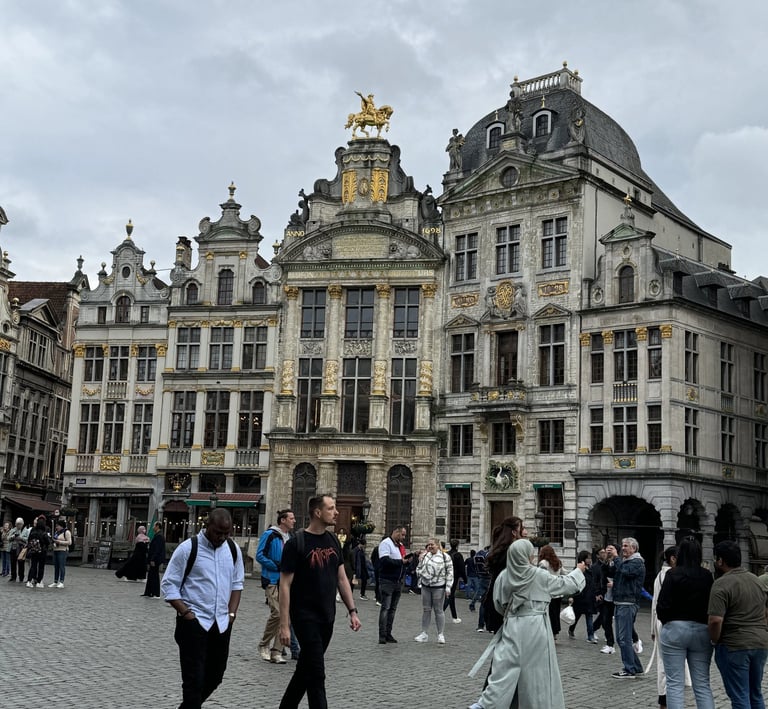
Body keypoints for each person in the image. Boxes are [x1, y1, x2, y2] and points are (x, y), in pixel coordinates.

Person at [467, 539, 587, 709]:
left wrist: (513, 614)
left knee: (504, 668)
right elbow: (566, 585)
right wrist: (578, 571)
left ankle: (487, 704)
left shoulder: (504, 576)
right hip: (536, 627)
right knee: (537, 673)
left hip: (512, 624)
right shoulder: (538, 575)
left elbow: (498, 603)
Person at [278, 494, 361, 709]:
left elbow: (341, 578)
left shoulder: (333, 540)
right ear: (317, 512)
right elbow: (285, 585)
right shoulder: (296, 543)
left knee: (305, 669)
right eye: (331, 508)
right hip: (305, 617)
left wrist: (352, 610)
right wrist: (284, 625)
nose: (337, 512)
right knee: (317, 674)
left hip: (327, 617)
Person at [161, 508, 244, 709]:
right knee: (193, 681)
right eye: (217, 532)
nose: (221, 537)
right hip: (194, 623)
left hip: (221, 624)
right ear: (207, 526)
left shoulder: (232, 549)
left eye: (226, 533)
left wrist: (231, 614)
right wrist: (186, 613)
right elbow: (169, 584)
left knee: (215, 676)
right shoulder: (188, 549)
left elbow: (237, 583)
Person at [708, 539, 768, 709]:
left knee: (740, 695)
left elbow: (715, 620)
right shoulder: (757, 581)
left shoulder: (721, 584)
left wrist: (714, 639)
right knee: (755, 693)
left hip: (734, 644)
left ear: (720, 561)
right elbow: (766, 611)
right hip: (760, 643)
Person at [656, 538, 714, 709]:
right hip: (701, 630)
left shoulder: (672, 574)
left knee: (674, 683)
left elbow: (662, 605)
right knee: (702, 683)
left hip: (675, 628)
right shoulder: (706, 576)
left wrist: (668, 622)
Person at [256, 508, 296, 664]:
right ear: (283, 520)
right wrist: (276, 566)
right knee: (278, 613)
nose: (294, 521)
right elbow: (260, 555)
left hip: (287, 581)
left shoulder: (290, 538)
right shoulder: (270, 535)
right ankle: (264, 644)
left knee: (286, 615)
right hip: (272, 579)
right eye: (291, 518)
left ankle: (277, 651)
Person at [605, 538, 646, 678]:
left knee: (624, 638)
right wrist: (610, 560)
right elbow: (613, 573)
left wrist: (616, 558)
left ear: (634, 548)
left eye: (626, 546)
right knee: (622, 638)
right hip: (620, 602)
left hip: (628, 603)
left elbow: (626, 572)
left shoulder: (637, 562)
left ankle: (629, 669)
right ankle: (636, 667)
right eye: (622, 546)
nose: (623, 548)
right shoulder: (625, 562)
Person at [414, 538, 454, 644]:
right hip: (426, 586)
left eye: (432, 544)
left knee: (439, 610)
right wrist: (422, 574)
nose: (430, 546)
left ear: (437, 545)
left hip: (439, 587)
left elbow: (450, 572)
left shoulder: (445, 557)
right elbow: (418, 568)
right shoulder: (425, 556)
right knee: (426, 610)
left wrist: (448, 587)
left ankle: (440, 634)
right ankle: (424, 633)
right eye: (428, 545)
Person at [377, 525, 408, 644]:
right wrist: (401, 562)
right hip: (387, 580)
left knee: (392, 609)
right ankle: (382, 635)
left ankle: (388, 633)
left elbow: (402, 561)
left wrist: (408, 560)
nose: (404, 537)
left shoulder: (400, 546)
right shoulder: (386, 543)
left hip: (398, 581)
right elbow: (384, 561)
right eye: (402, 534)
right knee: (385, 608)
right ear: (396, 532)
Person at [569, 550, 598, 643]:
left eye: (590, 558)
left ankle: (590, 636)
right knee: (577, 616)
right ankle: (571, 629)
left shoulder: (590, 569)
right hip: (580, 597)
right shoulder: (578, 569)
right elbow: (573, 583)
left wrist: (595, 594)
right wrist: (571, 596)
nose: (589, 560)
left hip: (589, 597)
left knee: (589, 616)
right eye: (587, 558)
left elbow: (593, 583)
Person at [538, 544, 565, 640]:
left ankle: (549, 632)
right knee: (556, 614)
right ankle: (555, 633)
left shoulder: (543, 563)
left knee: (548, 614)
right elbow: (564, 574)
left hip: (548, 592)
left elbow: (540, 576)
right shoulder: (558, 562)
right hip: (558, 592)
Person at [444, 538, 467, 624]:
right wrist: (465, 580)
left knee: (451, 596)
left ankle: (455, 616)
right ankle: (440, 612)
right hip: (454, 577)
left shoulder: (446, 554)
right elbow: (462, 569)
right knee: (449, 596)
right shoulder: (458, 555)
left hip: (445, 576)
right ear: (457, 546)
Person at [25, 516, 50, 588]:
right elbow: (48, 542)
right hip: (42, 551)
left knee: (33, 566)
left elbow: (29, 539)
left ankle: (29, 581)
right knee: (41, 567)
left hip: (34, 550)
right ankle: (39, 581)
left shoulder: (33, 530)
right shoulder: (44, 532)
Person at [142, 521, 166, 598]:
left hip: (155, 559)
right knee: (151, 575)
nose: (153, 528)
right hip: (153, 558)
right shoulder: (157, 535)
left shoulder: (159, 536)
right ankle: (148, 592)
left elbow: (157, 549)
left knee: (154, 575)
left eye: (154, 526)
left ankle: (155, 593)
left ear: (157, 526)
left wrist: (153, 559)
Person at [49, 519, 72, 588]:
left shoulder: (66, 532)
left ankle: (61, 581)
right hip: (56, 550)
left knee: (61, 566)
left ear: (61, 526)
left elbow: (69, 542)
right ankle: (55, 581)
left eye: (58, 526)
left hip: (63, 550)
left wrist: (59, 542)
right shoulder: (57, 532)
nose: (56, 527)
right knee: (56, 566)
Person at [8, 517, 29, 583]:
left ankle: (21, 577)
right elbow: (8, 538)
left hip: (21, 549)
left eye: (20, 524)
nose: (18, 525)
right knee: (13, 563)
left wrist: (21, 538)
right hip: (13, 548)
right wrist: (13, 536)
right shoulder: (13, 530)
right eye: (17, 524)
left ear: (22, 524)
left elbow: (27, 539)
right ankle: (13, 576)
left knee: (21, 563)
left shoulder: (26, 531)